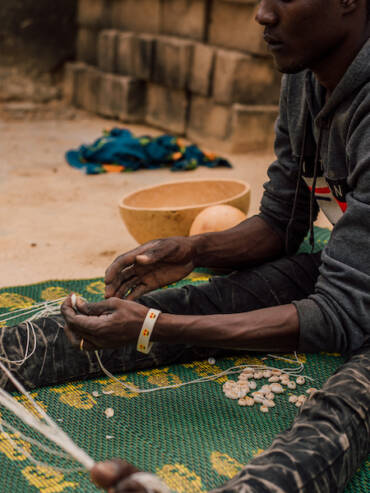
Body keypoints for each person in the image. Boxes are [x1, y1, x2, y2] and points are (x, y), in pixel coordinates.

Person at [2, 0, 369, 491]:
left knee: (345, 410)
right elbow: (282, 221)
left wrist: (155, 327)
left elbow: (340, 315)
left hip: (354, 291)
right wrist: (194, 251)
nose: (262, 14)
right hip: (355, 269)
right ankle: (11, 355)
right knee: (205, 301)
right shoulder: (304, 75)